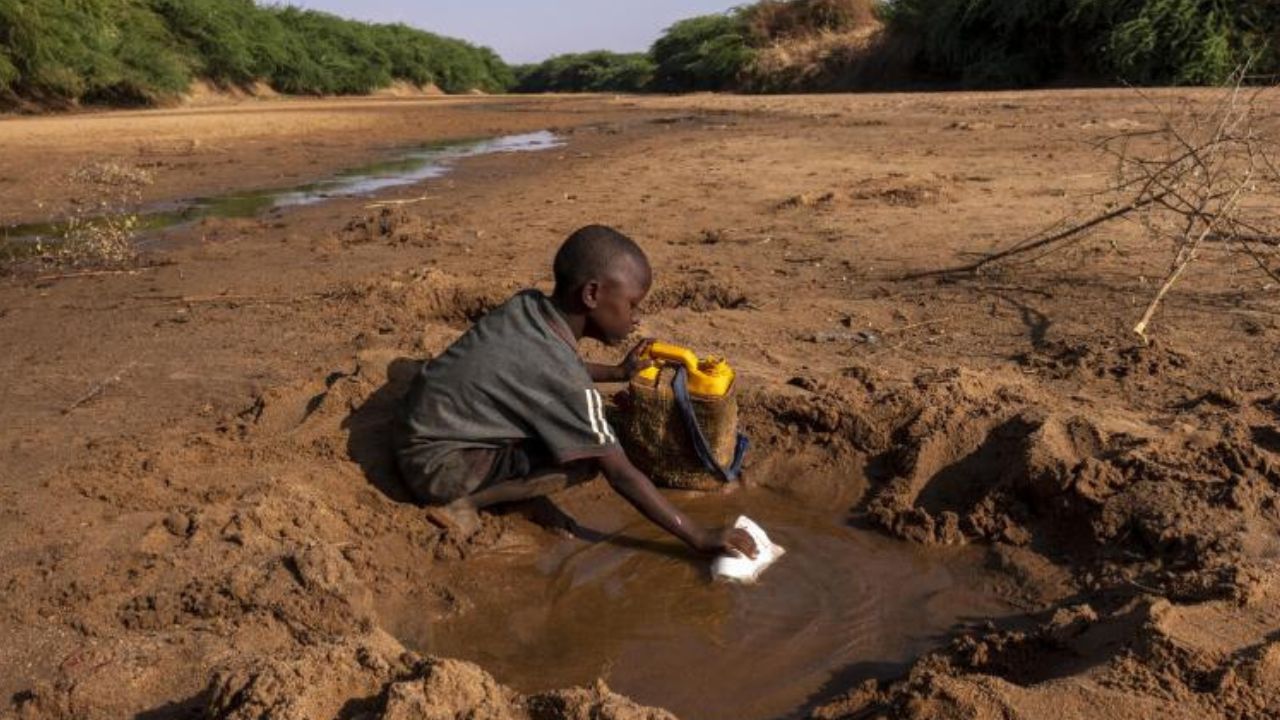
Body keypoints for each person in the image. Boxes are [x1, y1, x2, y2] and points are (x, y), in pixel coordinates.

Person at [395, 224, 757, 559]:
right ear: (592, 294)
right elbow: (620, 473)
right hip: (437, 470)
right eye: (632, 304)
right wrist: (698, 535)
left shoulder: (528, 306)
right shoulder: (563, 375)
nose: (635, 318)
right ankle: (468, 502)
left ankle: (514, 492)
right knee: (588, 459)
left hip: (423, 431)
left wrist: (616, 373)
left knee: (566, 430)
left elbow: (540, 370)